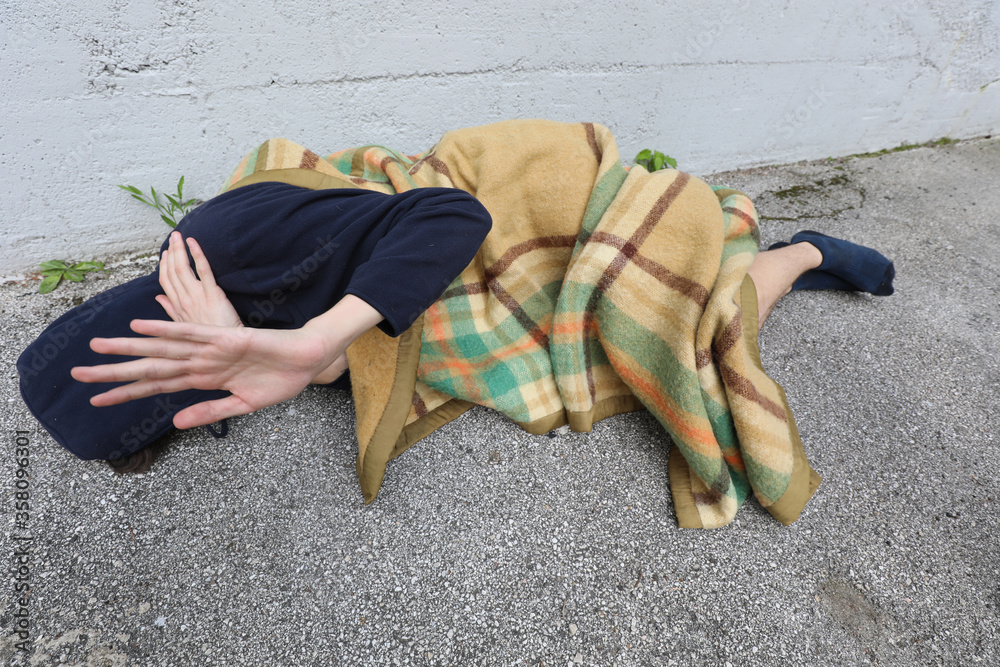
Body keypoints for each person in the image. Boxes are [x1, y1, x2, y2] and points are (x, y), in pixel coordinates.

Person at [17, 175, 895, 475]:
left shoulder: (225, 246)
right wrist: (317, 365)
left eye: (174, 366)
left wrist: (321, 338)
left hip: (518, 228)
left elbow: (450, 214)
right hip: (446, 290)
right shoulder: (244, 338)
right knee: (588, 368)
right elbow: (329, 351)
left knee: (684, 326)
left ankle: (802, 254)